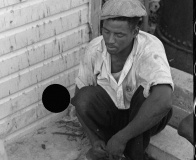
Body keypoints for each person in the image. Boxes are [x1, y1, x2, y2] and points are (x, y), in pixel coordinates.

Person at [71, 0, 174, 159]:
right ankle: (109, 146)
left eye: (119, 35)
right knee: (84, 97)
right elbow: (79, 101)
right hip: (114, 116)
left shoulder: (150, 47)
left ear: (135, 32)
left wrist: (121, 138)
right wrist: (94, 139)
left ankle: (133, 154)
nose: (110, 40)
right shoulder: (94, 49)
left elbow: (164, 101)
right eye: (106, 32)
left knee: (147, 95)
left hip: (144, 118)